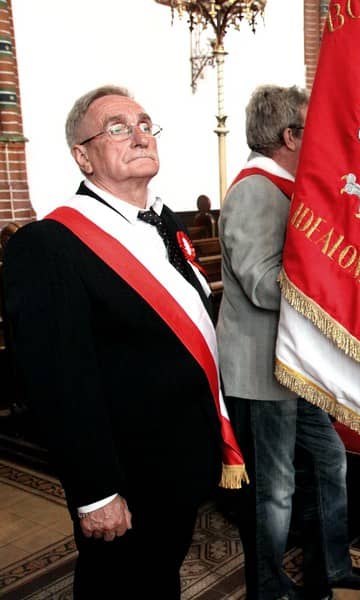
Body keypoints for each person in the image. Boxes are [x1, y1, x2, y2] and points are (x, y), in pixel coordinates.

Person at [2, 85, 233, 598]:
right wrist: (95, 491)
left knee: (158, 579)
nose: (139, 135)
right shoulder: (48, 245)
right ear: (82, 156)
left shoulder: (165, 222)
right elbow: (58, 383)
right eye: (117, 127)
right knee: (117, 586)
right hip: (125, 474)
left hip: (179, 460)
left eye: (145, 124)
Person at [216, 85, 360, 600]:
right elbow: (262, 284)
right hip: (261, 369)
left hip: (294, 365)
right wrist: (332, 278)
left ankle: (331, 565)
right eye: (314, 130)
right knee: (275, 488)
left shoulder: (284, 188)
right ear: (289, 135)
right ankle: (268, 586)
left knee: (329, 460)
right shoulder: (255, 191)